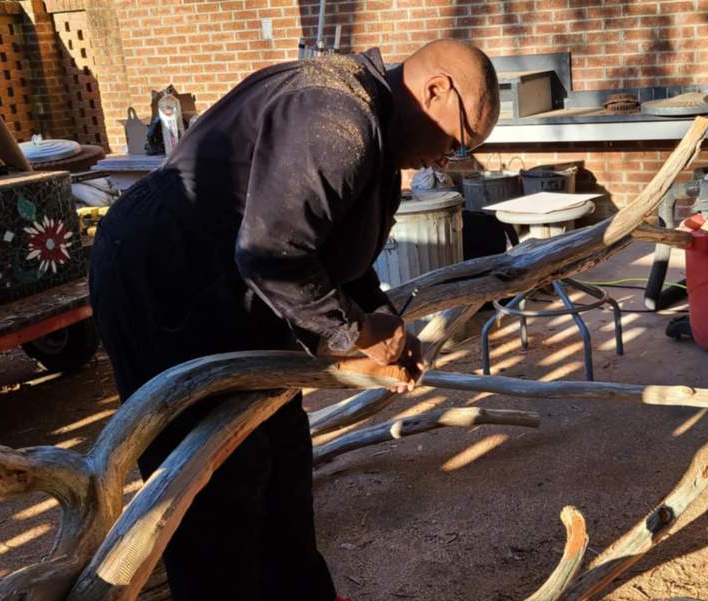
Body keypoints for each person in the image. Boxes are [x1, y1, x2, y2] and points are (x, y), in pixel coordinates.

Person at [89, 39, 500, 601]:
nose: (444, 161)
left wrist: (385, 325)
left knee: (281, 453)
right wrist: (354, 334)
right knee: (214, 485)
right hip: (165, 276)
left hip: (226, 280)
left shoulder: (373, 131)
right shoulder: (339, 117)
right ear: (435, 89)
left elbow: (335, 254)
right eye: (456, 142)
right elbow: (272, 254)